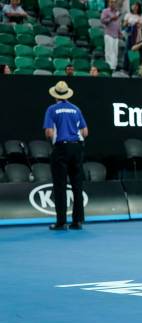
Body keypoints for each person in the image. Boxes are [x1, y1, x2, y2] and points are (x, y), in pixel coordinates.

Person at [43, 81, 89, 231]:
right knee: (77, 185)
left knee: (60, 186)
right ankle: (78, 221)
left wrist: (52, 138)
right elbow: (85, 132)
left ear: (55, 95)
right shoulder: (76, 109)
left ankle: (61, 222)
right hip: (76, 149)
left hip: (61, 149)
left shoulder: (51, 109)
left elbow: (49, 132)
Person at [122, 2, 142, 72]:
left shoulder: (141, 16)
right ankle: (125, 67)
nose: (135, 7)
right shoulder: (128, 15)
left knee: (136, 51)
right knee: (128, 50)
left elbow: (140, 25)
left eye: (136, 6)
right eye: (134, 5)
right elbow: (124, 24)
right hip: (129, 33)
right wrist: (128, 23)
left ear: (139, 8)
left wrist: (137, 24)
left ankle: (134, 67)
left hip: (138, 34)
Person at [101, 0, 122, 71]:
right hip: (109, 34)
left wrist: (119, 32)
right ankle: (108, 67)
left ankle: (114, 67)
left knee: (115, 52)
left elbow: (118, 23)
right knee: (109, 51)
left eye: (114, 2)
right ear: (109, 3)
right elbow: (102, 20)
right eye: (111, 2)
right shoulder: (105, 11)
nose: (113, 3)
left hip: (116, 35)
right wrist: (111, 18)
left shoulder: (117, 12)